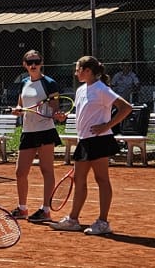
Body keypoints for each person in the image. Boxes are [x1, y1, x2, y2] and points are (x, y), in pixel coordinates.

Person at [55, 55, 131, 235]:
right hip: (84, 140)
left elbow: (126, 108)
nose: (75, 72)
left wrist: (107, 126)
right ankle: (73, 219)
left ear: (87, 71)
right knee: (79, 180)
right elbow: (85, 114)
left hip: (99, 140)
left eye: (77, 69)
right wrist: (65, 117)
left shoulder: (101, 89)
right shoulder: (81, 89)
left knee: (102, 179)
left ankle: (103, 222)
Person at [9, 48, 63, 222]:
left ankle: (45, 210)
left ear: (41, 63)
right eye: (30, 62)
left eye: (37, 62)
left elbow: (55, 109)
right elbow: (21, 105)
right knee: (20, 172)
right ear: (24, 64)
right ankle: (22, 208)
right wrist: (17, 111)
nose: (33, 65)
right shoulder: (24, 83)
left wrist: (55, 113)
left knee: (46, 171)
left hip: (46, 131)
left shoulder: (50, 83)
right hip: (28, 132)